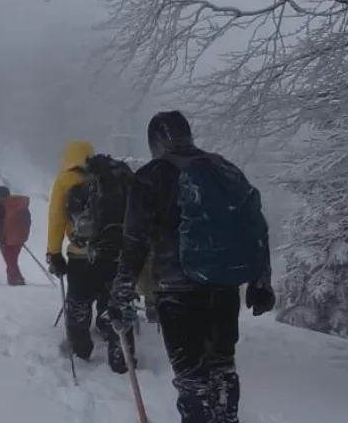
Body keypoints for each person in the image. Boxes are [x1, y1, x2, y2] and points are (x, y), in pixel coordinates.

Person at [107, 111, 275, 423]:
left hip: (177, 290)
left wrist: (122, 290)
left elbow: (135, 240)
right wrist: (261, 279)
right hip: (223, 287)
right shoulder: (224, 170)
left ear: (156, 141)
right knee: (222, 368)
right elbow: (255, 226)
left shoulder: (150, 176)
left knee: (192, 379)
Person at [44, 141, 133, 374]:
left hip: (81, 256)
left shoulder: (65, 181)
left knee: (78, 304)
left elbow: (56, 218)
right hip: (115, 254)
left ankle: (81, 350)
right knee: (114, 301)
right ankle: (121, 354)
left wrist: (54, 252)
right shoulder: (113, 178)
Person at [0, 185, 31, 285]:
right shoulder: (18, 205)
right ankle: (14, 278)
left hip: (4, 238)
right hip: (19, 237)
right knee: (13, 259)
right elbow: (27, 220)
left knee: (10, 260)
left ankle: (15, 279)